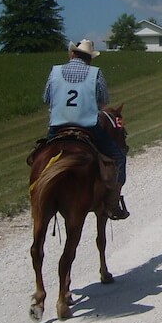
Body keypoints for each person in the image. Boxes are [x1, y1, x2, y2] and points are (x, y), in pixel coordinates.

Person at [42, 39, 129, 220]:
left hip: (57, 126)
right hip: (88, 126)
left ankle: (39, 196)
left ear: (72, 54)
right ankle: (112, 203)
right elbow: (103, 103)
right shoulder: (95, 73)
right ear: (89, 58)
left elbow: (47, 99)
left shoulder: (55, 71)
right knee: (118, 156)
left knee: (39, 158)